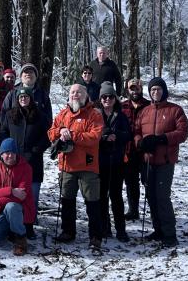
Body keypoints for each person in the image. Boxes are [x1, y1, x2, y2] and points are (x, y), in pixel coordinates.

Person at [48, 84, 104, 251]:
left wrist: (72, 134)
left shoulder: (94, 114)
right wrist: (60, 131)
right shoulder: (63, 114)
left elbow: (94, 137)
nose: (75, 95)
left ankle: (95, 235)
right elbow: (50, 132)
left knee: (92, 201)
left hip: (88, 164)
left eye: (79, 92)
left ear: (86, 95)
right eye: (72, 92)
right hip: (67, 164)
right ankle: (68, 231)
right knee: (67, 199)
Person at [134, 77, 188, 248]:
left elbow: (183, 132)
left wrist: (162, 139)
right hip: (148, 161)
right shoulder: (145, 111)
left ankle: (169, 234)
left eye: (158, 89)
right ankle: (158, 229)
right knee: (151, 196)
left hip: (165, 161)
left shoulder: (175, 110)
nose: (155, 92)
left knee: (162, 197)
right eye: (152, 90)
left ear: (164, 91)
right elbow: (136, 130)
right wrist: (140, 143)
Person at [0, 88, 50, 239]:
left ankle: (29, 226)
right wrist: (5, 149)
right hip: (13, 161)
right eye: (21, 96)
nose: (23, 99)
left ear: (31, 98)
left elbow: (48, 135)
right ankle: (13, 225)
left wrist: (37, 149)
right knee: (14, 194)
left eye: (26, 96)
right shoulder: (10, 115)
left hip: (33, 161)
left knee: (31, 196)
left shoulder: (40, 116)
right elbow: (3, 132)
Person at [0, 138, 35, 256]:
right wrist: (11, 190)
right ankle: (9, 230)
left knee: (11, 206)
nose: (10, 156)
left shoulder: (26, 168)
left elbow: (21, 196)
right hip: (0, 211)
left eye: (12, 152)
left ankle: (20, 239)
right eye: (6, 153)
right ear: (1, 154)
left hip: (20, 209)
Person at [95, 82, 131, 242]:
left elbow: (128, 134)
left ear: (115, 99)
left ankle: (121, 230)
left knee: (116, 196)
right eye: (104, 97)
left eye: (110, 97)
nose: (107, 99)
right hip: (100, 161)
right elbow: (93, 133)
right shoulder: (95, 114)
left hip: (117, 161)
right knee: (102, 196)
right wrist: (103, 137)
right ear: (100, 99)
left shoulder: (121, 115)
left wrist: (116, 135)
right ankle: (104, 228)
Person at [121, 78, 151, 220]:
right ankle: (133, 210)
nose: (134, 91)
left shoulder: (149, 106)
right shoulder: (122, 106)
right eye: (132, 88)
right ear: (128, 90)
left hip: (145, 151)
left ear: (141, 89)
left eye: (137, 88)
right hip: (128, 151)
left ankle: (155, 211)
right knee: (131, 182)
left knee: (148, 182)